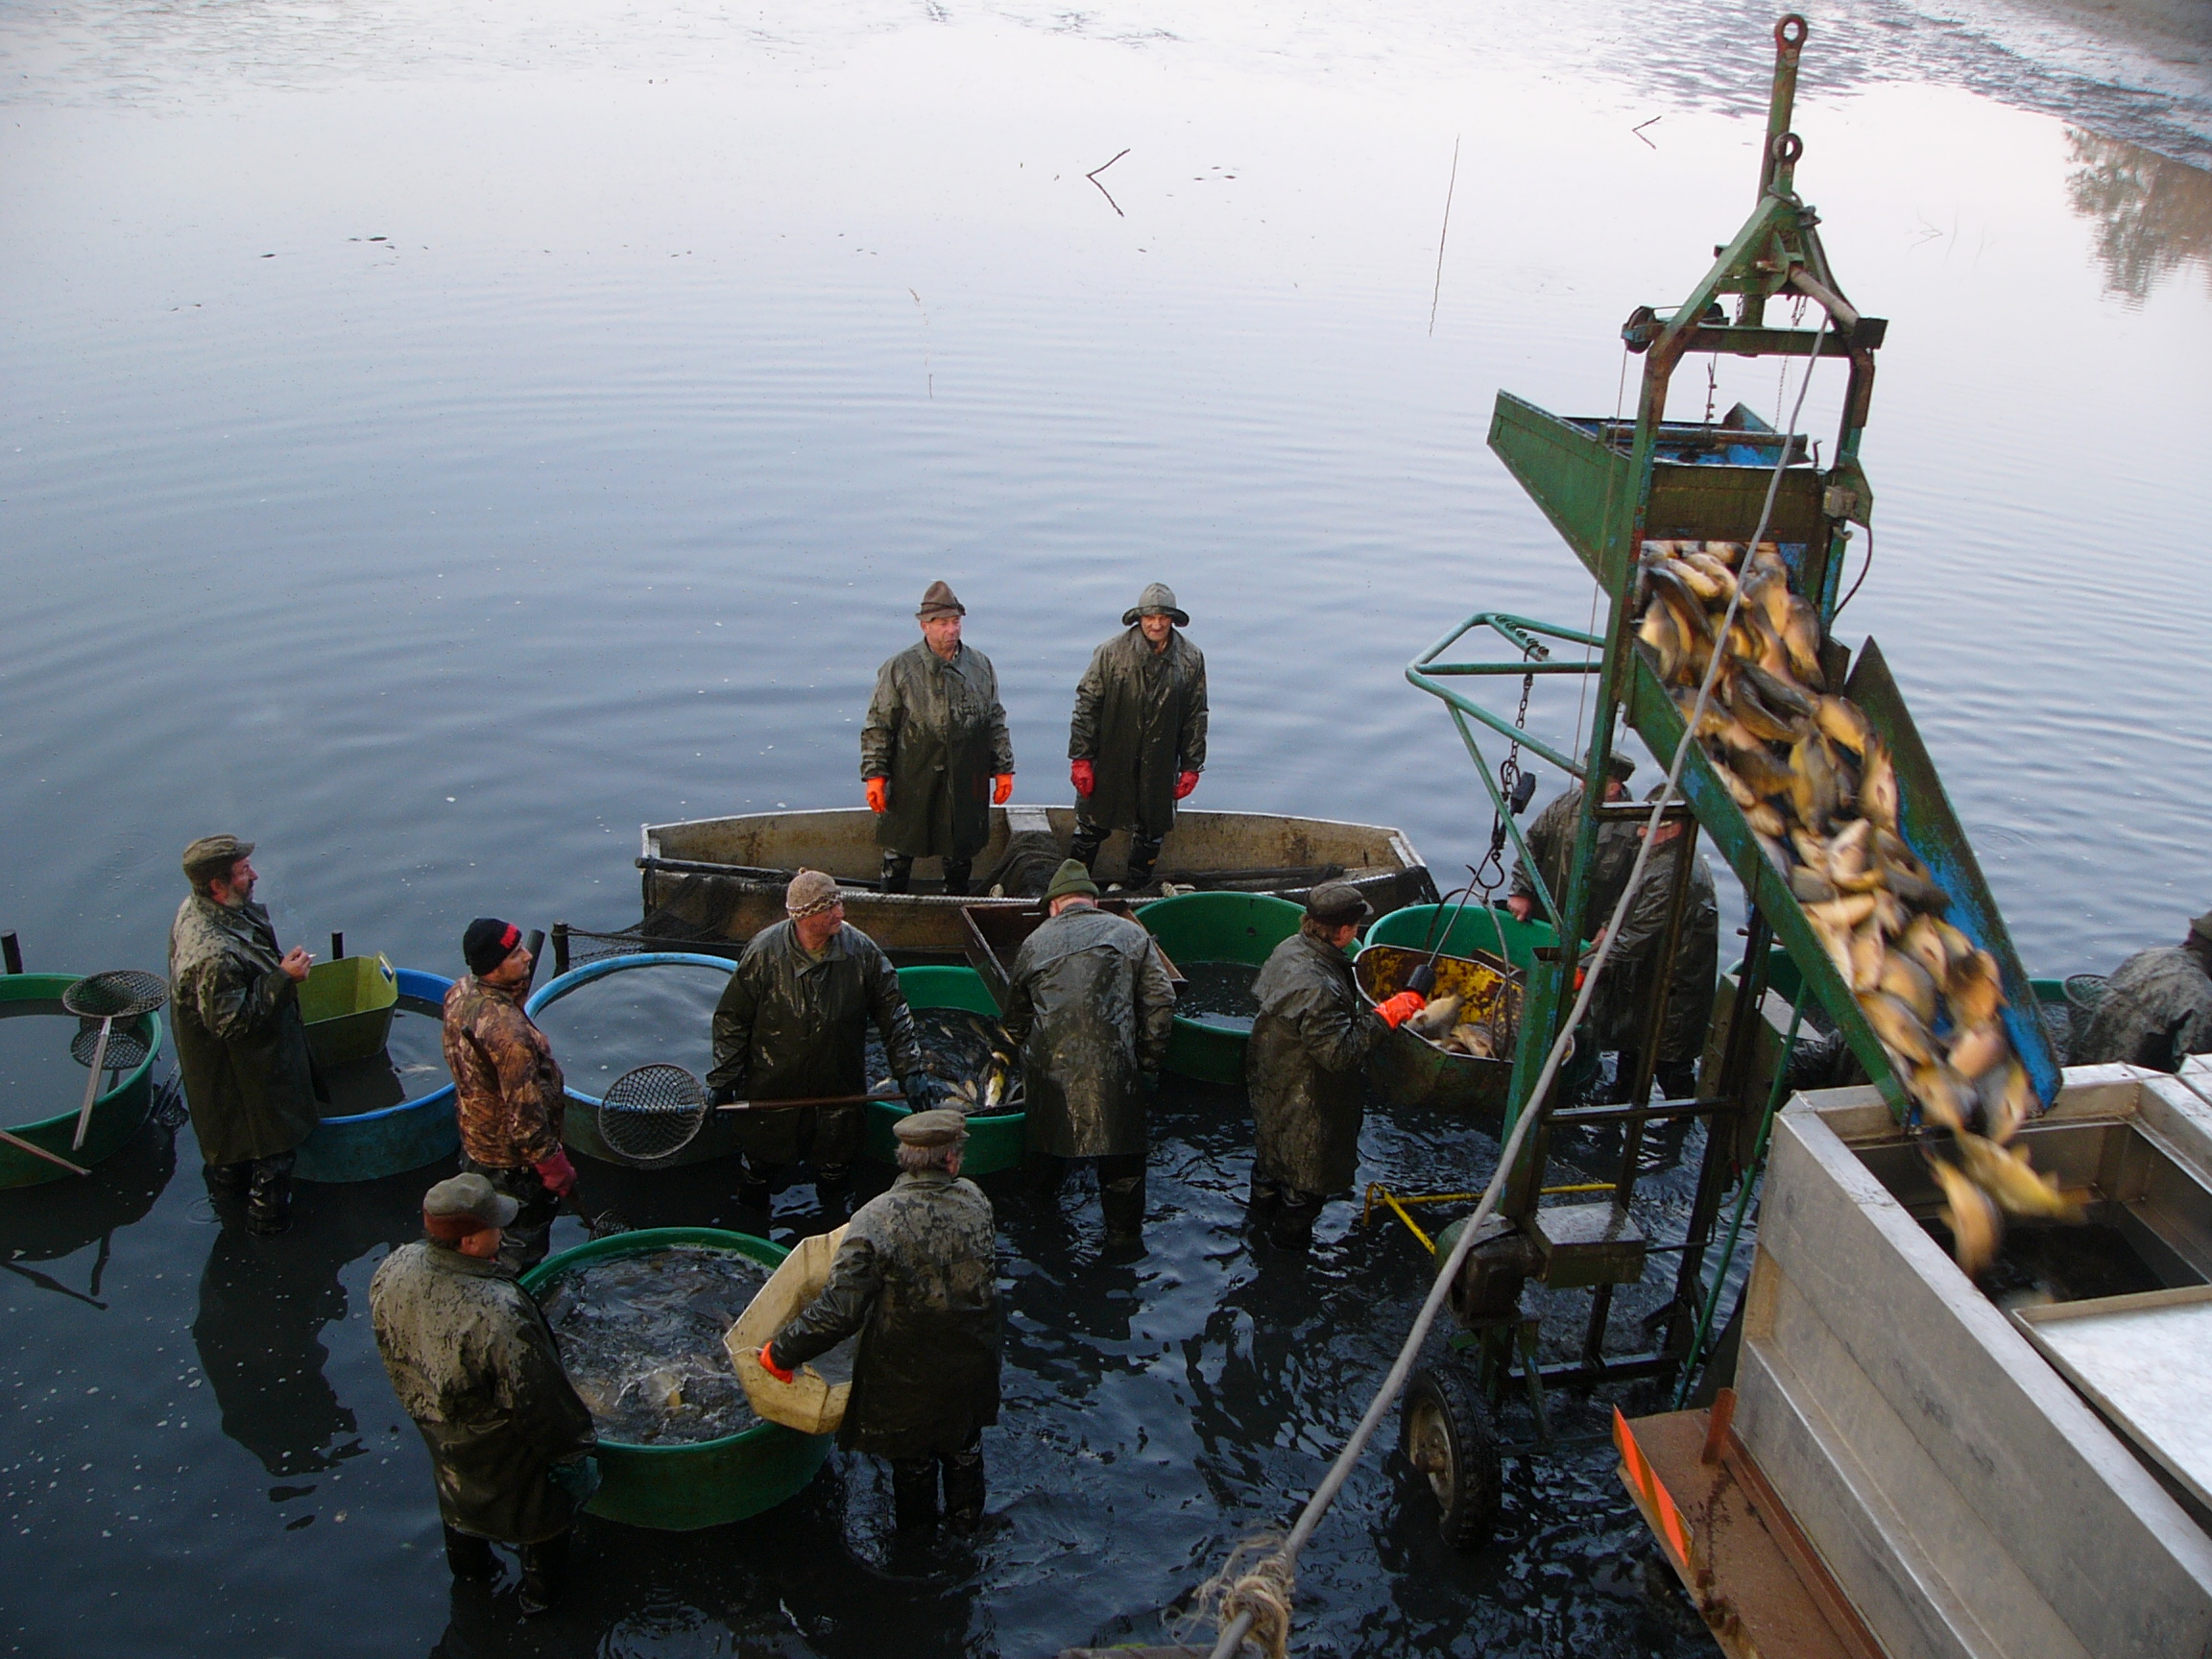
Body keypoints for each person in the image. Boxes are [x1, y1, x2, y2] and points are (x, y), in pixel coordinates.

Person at [759, 1109, 999, 1533]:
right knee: (965, 1447)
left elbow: (839, 1312)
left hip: (906, 1376)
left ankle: (917, 1547)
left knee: (913, 1463)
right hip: (972, 1364)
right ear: (950, 1160)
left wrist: (781, 1353)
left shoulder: (875, 1218)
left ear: (904, 1158)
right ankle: (967, 1527)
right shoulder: (976, 1200)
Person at [370, 1173, 597, 1616]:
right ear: (471, 1242)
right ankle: (540, 1603)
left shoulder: (396, 1266)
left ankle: (472, 1575)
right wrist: (574, 1454)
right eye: (495, 1225)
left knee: (460, 1504)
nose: (503, 1231)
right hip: (505, 1451)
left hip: (440, 1431)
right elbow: (539, 1401)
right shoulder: (497, 1313)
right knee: (540, 1522)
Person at [708, 870, 928, 1215]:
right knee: (758, 1168)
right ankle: (751, 1216)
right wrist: (723, 1079)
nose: (841, 913)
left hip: (838, 1091)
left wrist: (910, 1069)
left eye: (838, 903)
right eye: (829, 909)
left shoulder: (861, 952)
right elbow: (732, 1019)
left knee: (836, 1170)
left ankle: (831, 1221)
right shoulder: (764, 953)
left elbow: (894, 1013)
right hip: (772, 1089)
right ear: (803, 917)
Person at [1000, 859, 1175, 1247]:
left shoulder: (1034, 943)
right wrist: (1147, 1063)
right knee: (1123, 1176)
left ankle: (1038, 1236)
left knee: (1044, 1169)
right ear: (1093, 903)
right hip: (1116, 1076)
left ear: (1054, 907)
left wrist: (1007, 1056)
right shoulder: (1130, 933)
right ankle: (1123, 1244)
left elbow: (1015, 1021)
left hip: (1051, 1078)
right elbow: (1162, 1001)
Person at [1245, 882, 1428, 1250]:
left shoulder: (1290, 948)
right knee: (1304, 1186)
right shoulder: (1320, 988)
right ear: (1344, 931)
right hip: (1308, 1100)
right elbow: (1338, 1054)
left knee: (1270, 1164)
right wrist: (1388, 1014)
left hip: (1272, 1081)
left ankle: (1255, 1228)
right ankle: (1285, 1256)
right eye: (1356, 925)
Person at [168, 834, 319, 1237]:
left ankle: (227, 1201)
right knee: (272, 1158)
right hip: (243, 1079)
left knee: (229, 1149)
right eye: (243, 871)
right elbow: (231, 1024)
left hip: (219, 1077)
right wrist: (283, 978)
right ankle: (268, 1235)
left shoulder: (197, 908)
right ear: (217, 885)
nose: (254, 875)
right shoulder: (214, 953)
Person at [860, 580, 1016, 897]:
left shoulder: (980, 666)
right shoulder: (900, 668)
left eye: (955, 621)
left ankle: (954, 903)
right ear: (924, 626)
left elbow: (994, 719)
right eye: (942, 623)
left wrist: (1003, 768)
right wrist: (875, 775)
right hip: (912, 775)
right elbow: (878, 725)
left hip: (967, 776)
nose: (951, 630)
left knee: (961, 852)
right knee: (898, 850)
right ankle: (889, 903)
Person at [443, 919, 575, 1272]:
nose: (528, 956)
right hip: (513, 1162)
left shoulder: (460, 991)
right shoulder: (510, 1036)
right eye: (516, 954)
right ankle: (515, 1285)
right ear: (494, 968)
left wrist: (513, 1001)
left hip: (475, 1141)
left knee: (484, 1219)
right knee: (521, 1239)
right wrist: (552, 1165)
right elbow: (525, 1117)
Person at [1068, 582, 1209, 890]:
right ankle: (1072, 889)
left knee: (1151, 831)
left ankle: (1136, 891)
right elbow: (1087, 706)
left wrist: (1191, 765)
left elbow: (1196, 715)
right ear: (1139, 619)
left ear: (1173, 620)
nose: (1156, 624)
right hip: (1111, 757)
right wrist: (1081, 758)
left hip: (1161, 761)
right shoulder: (1111, 653)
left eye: (1163, 617)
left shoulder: (1190, 658)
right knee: (1091, 827)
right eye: (1149, 618)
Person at [1594, 788, 1719, 1102]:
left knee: (1669, 1062)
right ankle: (1623, 1096)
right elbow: (1632, 898)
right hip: (1651, 984)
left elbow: (1637, 937)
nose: (1639, 832)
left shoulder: (1671, 872)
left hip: (1673, 993)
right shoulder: (1663, 856)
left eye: (1647, 827)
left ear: (1674, 828)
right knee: (1635, 1045)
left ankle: (1679, 1117)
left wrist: (1588, 966)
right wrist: (1609, 925)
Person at [1506, 754, 1640, 936]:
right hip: (1544, 912)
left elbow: (1633, 886)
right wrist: (1521, 892)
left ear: (1612, 789)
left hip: (1590, 929)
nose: (1581, 785)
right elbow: (1532, 845)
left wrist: (1610, 926)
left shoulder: (1633, 829)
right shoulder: (1564, 804)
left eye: (1589, 780)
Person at [2075, 911, 2212, 1072]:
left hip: (2085, 1062)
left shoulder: (2147, 955)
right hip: (2129, 1077)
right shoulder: (2201, 997)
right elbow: (2192, 1068)